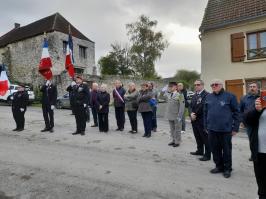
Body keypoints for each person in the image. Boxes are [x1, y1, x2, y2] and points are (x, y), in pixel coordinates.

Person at [204, 79, 240, 178]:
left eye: (216, 84)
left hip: (226, 129)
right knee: (215, 149)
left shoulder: (230, 96)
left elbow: (237, 112)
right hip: (211, 129)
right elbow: (205, 112)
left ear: (221, 85)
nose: (214, 86)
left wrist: (235, 128)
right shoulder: (209, 97)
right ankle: (219, 166)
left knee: (227, 150)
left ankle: (227, 168)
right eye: (212, 85)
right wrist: (205, 126)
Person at [244, 97, 266, 199]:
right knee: (261, 178)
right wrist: (256, 110)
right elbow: (247, 120)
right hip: (260, 150)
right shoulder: (259, 103)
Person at [190, 80, 211, 161]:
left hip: (202, 120)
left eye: (198, 84)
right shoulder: (194, 95)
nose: (196, 86)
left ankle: (207, 154)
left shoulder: (207, 95)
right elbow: (190, 105)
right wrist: (191, 113)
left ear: (202, 85)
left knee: (205, 138)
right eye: (195, 85)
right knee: (197, 136)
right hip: (194, 120)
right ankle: (200, 151)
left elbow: (203, 106)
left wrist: (195, 114)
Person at [240, 82, 260, 161]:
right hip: (249, 123)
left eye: (254, 86)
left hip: (261, 123)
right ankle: (253, 155)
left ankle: (261, 155)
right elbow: (240, 110)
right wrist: (242, 121)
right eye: (251, 86)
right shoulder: (244, 98)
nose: (252, 88)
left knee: (261, 139)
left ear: (257, 88)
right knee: (252, 140)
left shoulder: (262, 97)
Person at [164, 82, 185, 147]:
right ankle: (173, 140)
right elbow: (161, 96)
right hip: (170, 115)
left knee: (177, 129)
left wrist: (180, 116)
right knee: (172, 129)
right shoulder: (169, 94)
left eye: (171, 86)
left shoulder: (180, 95)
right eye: (169, 86)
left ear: (175, 87)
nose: (170, 87)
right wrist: (165, 90)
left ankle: (177, 141)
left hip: (177, 115)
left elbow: (182, 107)